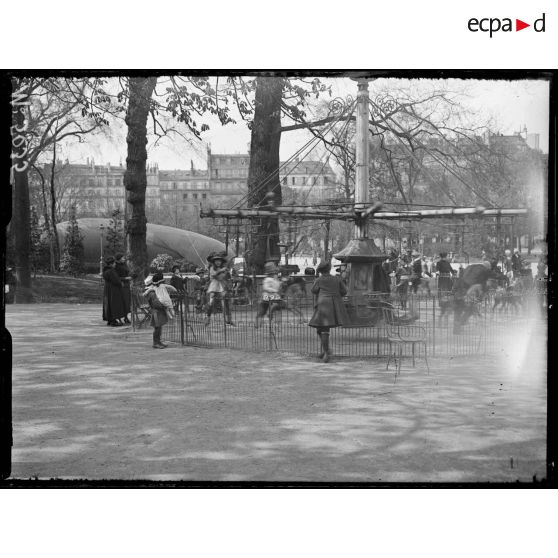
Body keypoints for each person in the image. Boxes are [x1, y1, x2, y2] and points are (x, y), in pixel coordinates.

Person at [308, 260, 349, 363]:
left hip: (323, 305)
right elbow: (344, 291)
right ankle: (325, 350)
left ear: (321, 270)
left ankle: (326, 353)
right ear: (329, 269)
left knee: (324, 329)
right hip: (333, 306)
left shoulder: (319, 280)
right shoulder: (337, 279)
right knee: (320, 329)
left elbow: (313, 290)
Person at [204, 251, 234, 326]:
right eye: (216, 261)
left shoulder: (224, 268)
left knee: (226, 302)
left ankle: (229, 319)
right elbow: (214, 275)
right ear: (214, 262)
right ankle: (208, 319)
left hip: (222, 285)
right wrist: (221, 271)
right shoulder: (212, 268)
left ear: (221, 261)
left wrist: (225, 272)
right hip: (213, 286)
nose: (218, 262)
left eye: (219, 260)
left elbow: (222, 278)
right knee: (211, 303)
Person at [143, 273, 169, 349]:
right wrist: (163, 305)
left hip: (159, 311)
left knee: (159, 327)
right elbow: (156, 303)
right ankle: (155, 342)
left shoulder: (156, 290)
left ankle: (159, 341)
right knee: (157, 328)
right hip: (156, 312)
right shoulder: (152, 293)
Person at [255, 262, 283, 328]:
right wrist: (274, 290)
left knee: (277, 307)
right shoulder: (267, 279)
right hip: (267, 296)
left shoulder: (275, 279)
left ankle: (274, 321)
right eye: (274, 273)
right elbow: (266, 287)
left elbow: (277, 287)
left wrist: (279, 282)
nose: (275, 274)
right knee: (262, 311)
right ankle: (258, 324)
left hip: (274, 296)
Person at [102, 256, 126, 326]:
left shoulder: (105, 270)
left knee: (108, 304)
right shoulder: (111, 271)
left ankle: (109, 319)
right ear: (111, 264)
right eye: (114, 263)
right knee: (113, 304)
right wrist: (121, 283)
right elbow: (116, 280)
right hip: (113, 290)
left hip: (107, 289)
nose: (115, 264)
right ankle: (113, 320)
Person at [114, 253, 132, 324]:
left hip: (127, 285)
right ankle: (118, 317)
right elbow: (116, 277)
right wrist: (126, 278)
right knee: (121, 302)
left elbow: (127, 272)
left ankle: (126, 317)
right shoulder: (115, 266)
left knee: (127, 302)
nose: (124, 259)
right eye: (122, 258)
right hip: (121, 285)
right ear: (118, 259)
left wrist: (131, 276)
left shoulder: (125, 264)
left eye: (124, 258)